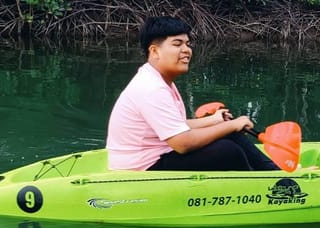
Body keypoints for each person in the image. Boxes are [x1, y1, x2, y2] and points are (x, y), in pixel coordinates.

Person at [106, 16, 278, 171]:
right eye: (177, 44)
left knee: (226, 134)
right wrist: (232, 125)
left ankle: (273, 173)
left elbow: (175, 125)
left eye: (187, 44)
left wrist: (213, 120)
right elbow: (182, 143)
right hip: (141, 169)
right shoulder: (151, 88)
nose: (186, 50)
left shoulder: (157, 80)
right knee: (227, 150)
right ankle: (267, 184)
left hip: (156, 157)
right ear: (155, 51)